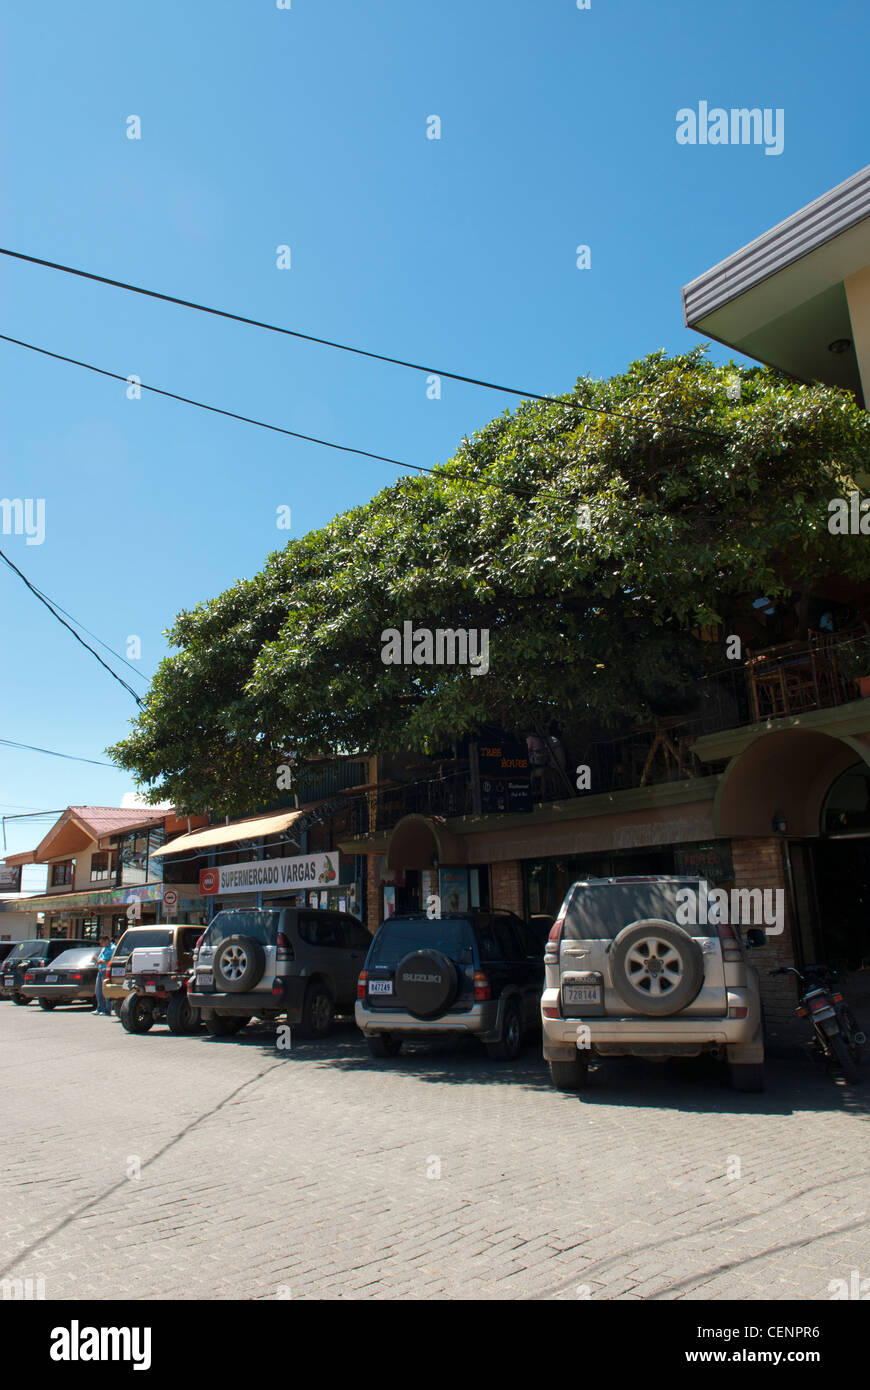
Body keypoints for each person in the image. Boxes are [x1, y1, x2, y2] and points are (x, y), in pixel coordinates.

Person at [93, 934, 114, 1015]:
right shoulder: (104, 949)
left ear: (107, 941)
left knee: (106, 991)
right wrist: (97, 959)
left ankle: (107, 1009)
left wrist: (100, 960)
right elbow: (100, 959)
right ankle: (100, 1008)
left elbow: (110, 960)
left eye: (102, 942)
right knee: (98, 991)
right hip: (100, 970)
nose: (101, 944)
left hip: (106, 970)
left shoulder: (113, 948)